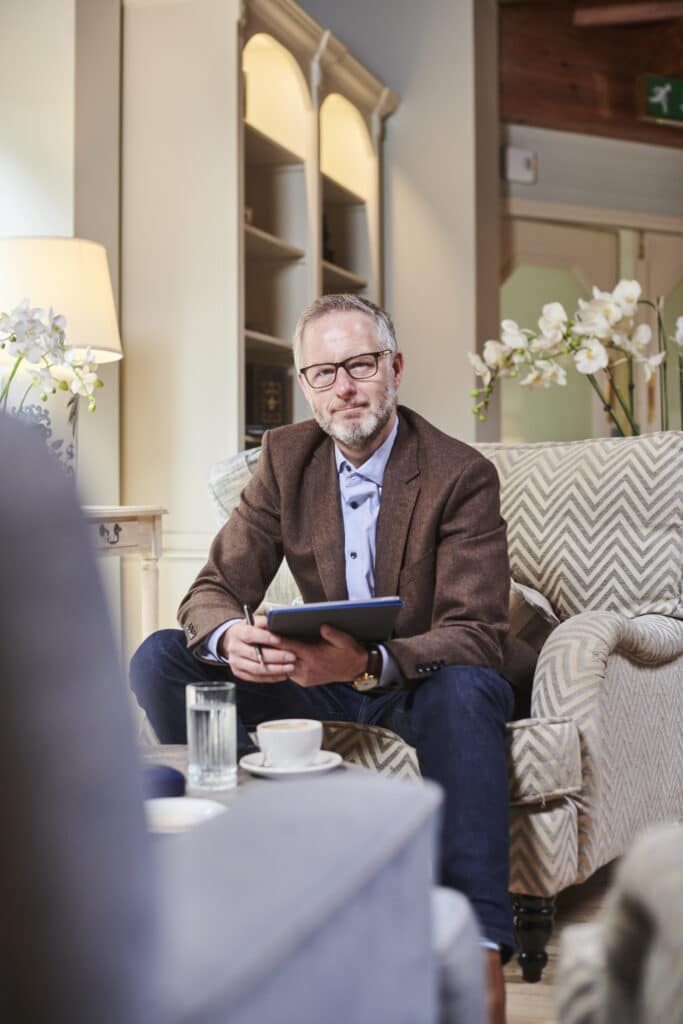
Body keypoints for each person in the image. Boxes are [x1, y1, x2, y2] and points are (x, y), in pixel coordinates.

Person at [131, 293, 536, 1024]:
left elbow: (474, 630)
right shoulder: (286, 459)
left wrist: (361, 664)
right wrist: (234, 640)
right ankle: (257, 871)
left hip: (416, 677)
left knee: (469, 689)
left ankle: (475, 946)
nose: (343, 387)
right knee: (162, 659)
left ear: (394, 368)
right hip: (315, 678)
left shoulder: (458, 472)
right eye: (323, 372)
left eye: (359, 365)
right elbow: (212, 590)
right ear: (305, 384)